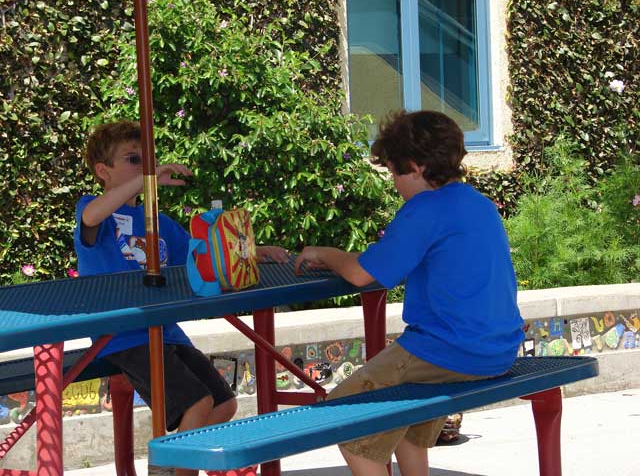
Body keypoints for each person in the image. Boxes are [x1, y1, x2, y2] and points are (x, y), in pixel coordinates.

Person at [294, 110, 524, 476]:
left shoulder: (424, 209)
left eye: (393, 172)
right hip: (497, 350)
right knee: (406, 418)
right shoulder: (478, 204)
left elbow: (359, 274)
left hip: (448, 350)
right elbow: (391, 262)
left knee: (343, 416)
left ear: (415, 167)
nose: (394, 183)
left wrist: (324, 254)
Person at [75, 121, 288, 476]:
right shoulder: (94, 211)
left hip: (166, 331)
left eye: (148, 160)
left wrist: (252, 251)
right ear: (103, 171)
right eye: (133, 159)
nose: (146, 167)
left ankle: (167, 465)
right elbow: (92, 215)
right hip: (123, 334)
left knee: (223, 404)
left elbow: (203, 255)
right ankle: (171, 468)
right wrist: (147, 180)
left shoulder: (158, 222)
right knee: (198, 402)